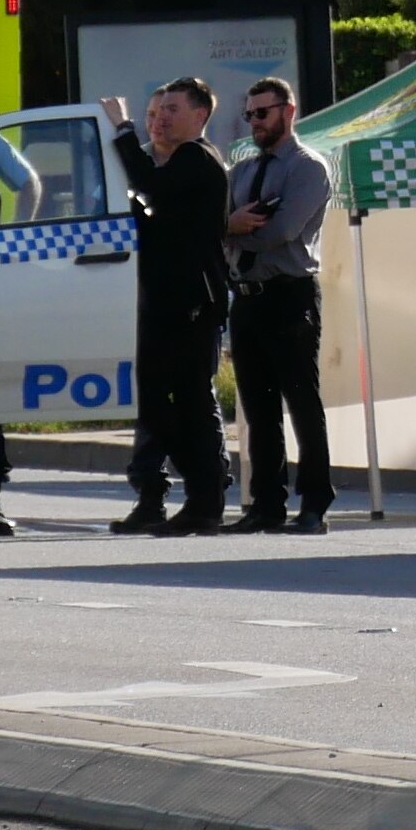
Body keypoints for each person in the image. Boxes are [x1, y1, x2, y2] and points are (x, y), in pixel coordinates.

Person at [101, 77, 233, 536]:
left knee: (189, 404)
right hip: (165, 301)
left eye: (172, 110)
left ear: (200, 116)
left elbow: (150, 186)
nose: (161, 119)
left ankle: (207, 499)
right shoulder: (177, 166)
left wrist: (122, 131)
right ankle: (196, 495)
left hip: (191, 303)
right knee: (160, 406)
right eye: (156, 112)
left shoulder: (197, 158)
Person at [223, 77, 336, 533]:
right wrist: (231, 226)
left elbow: (280, 232)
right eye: (249, 114)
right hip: (247, 297)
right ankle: (265, 504)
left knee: (301, 402)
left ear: (287, 112)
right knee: (258, 407)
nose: (254, 122)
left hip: (289, 294)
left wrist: (231, 229)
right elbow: (216, 225)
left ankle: (314, 504)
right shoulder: (243, 171)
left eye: (262, 113)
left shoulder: (308, 168)